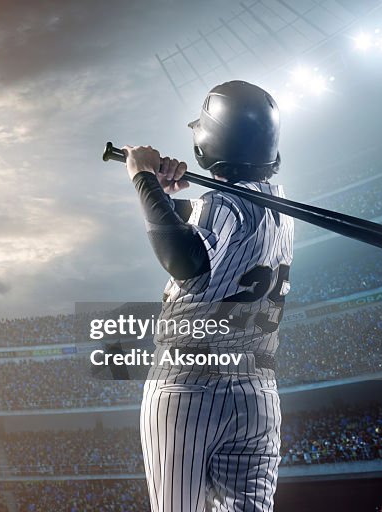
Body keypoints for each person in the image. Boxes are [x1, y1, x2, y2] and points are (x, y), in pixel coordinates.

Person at [123, 80, 293, 512]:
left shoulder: (222, 204)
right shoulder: (280, 206)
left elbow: (184, 259)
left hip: (189, 388)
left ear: (207, 142)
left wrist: (143, 178)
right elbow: (211, 228)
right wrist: (163, 196)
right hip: (257, 392)